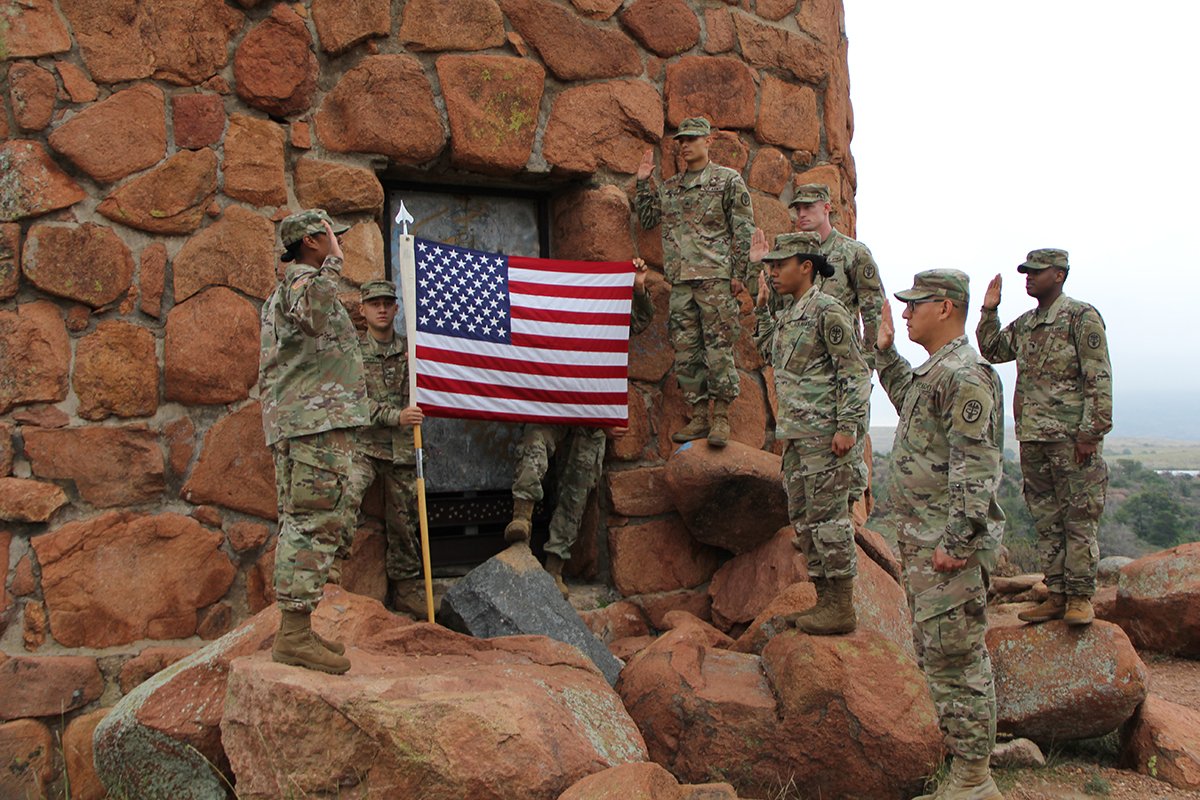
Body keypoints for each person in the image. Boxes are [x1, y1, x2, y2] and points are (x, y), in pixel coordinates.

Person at [875, 271, 1005, 800]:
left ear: (946, 307)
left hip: (946, 548)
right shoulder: (938, 372)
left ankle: (975, 780)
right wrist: (884, 353)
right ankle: (965, 771)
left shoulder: (967, 374)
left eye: (914, 305)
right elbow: (909, 399)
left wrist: (956, 541)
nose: (905, 314)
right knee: (939, 658)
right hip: (926, 544)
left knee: (959, 660)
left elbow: (975, 466)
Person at [504, 258, 656, 597]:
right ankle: (521, 527)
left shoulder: (607, 310)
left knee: (578, 487)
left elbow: (640, 320)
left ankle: (555, 566)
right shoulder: (547, 309)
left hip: (592, 417)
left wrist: (638, 286)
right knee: (533, 448)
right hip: (549, 407)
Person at [976, 248, 1112, 626]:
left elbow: (1098, 379)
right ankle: (1057, 594)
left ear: (1060, 274)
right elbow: (992, 349)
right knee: (1048, 520)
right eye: (1026, 271)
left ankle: (1081, 597)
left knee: (1079, 519)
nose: (1028, 277)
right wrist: (989, 311)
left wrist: (1090, 433)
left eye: (1037, 271)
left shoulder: (1080, 318)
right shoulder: (1026, 325)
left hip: (1072, 440)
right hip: (1034, 440)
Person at [260, 209, 369, 675]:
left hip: (308, 423)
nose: (337, 244)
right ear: (310, 240)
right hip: (312, 425)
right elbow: (312, 317)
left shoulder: (295, 282)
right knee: (311, 521)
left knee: (305, 520)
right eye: (331, 237)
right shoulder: (303, 280)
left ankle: (297, 629)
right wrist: (334, 266)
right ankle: (294, 636)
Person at [753, 231, 870, 635]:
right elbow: (768, 351)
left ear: (806, 267)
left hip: (825, 439)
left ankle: (841, 605)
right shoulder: (789, 313)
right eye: (770, 266)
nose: (772, 273)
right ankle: (825, 601)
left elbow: (854, 373)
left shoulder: (827, 311)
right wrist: (762, 310)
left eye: (779, 265)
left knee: (829, 521)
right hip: (799, 439)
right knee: (804, 521)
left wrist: (847, 427)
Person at [635, 116, 754, 448]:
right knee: (685, 351)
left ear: (708, 141)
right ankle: (700, 414)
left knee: (719, 350)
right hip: (681, 283)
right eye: (681, 141)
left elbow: (744, 229)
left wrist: (739, 275)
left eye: (691, 139)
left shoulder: (727, 181)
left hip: (715, 279)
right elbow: (646, 220)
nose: (685, 145)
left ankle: (721, 417)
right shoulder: (671, 188)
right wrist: (644, 183)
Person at [343, 279, 426, 617]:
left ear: (395, 308)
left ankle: (406, 589)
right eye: (373, 303)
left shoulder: (412, 351)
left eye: (386, 303)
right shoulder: (352, 353)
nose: (381, 309)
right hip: (365, 446)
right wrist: (398, 416)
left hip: (404, 450)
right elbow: (356, 403)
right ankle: (331, 576)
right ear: (362, 310)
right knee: (343, 499)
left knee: (406, 524)